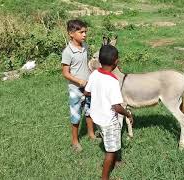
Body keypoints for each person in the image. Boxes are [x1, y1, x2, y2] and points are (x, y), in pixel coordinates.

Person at [84, 45, 133, 180]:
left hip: (97, 118)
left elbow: (86, 92)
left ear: (99, 60)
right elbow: (117, 107)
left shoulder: (94, 74)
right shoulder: (112, 81)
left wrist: (98, 93)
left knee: (112, 141)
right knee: (110, 151)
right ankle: (104, 177)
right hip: (109, 120)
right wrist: (128, 114)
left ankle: (117, 161)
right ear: (116, 62)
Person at [61, 19, 96, 152]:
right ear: (71, 33)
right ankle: (75, 141)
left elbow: (85, 65)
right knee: (76, 114)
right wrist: (78, 81)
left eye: (85, 32)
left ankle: (91, 134)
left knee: (89, 111)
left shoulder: (85, 46)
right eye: (81, 32)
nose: (84, 35)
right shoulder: (68, 52)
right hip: (75, 89)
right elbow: (65, 73)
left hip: (88, 87)